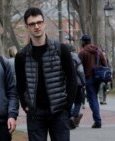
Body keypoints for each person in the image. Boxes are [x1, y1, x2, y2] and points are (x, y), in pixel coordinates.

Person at [15, 7, 77, 141]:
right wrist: (25, 105)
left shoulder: (61, 50)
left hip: (59, 111)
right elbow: (20, 84)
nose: (36, 26)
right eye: (32, 24)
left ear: (44, 24)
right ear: (27, 27)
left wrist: (67, 106)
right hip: (35, 114)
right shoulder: (21, 56)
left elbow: (72, 79)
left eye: (39, 22)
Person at [78, 34, 107, 128]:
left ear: (84, 42)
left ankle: (98, 121)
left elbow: (78, 67)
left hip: (88, 78)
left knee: (92, 99)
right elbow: (104, 63)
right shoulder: (98, 50)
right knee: (94, 98)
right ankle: (97, 120)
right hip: (98, 78)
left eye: (82, 41)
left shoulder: (82, 52)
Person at [68, 45, 86, 129]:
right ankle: (74, 116)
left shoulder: (61, 56)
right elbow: (80, 70)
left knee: (68, 101)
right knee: (78, 101)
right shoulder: (75, 57)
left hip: (65, 83)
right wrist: (83, 82)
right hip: (77, 83)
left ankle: (70, 117)